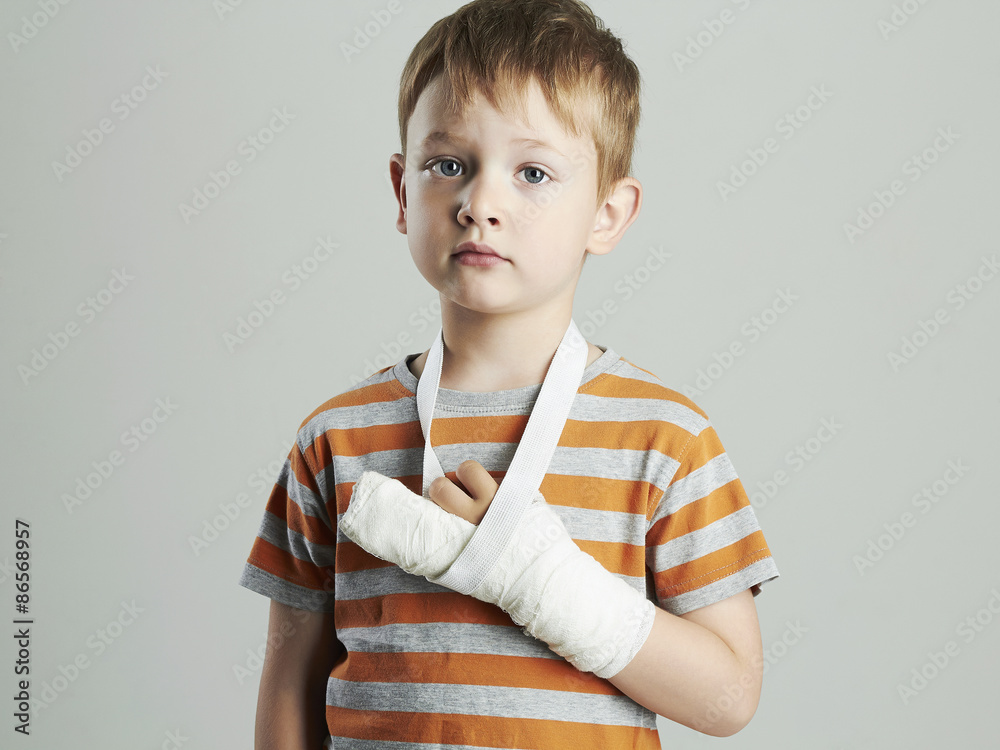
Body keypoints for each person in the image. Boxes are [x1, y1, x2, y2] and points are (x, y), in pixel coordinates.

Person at [238, 1, 780, 747]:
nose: (479, 202)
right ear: (403, 192)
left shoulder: (665, 438)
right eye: (448, 165)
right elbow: (289, 679)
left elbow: (728, 699)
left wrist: (542, 581)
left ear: (609, 214)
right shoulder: (334, 439)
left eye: (532, 172)